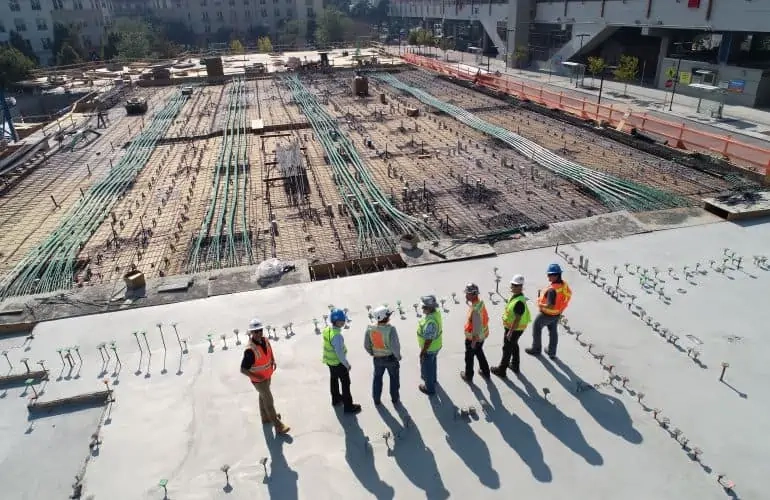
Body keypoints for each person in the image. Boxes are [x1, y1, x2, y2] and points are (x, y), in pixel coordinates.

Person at [240, 318, 290, 434]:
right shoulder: (250, 350)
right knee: (269, 401)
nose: (258, 333)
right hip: (259, 381)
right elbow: (243, 369)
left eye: (260, 330)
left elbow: (269, 351)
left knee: (263, 397)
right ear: (251, 333)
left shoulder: (265, 340)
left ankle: (266, 418)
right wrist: (256, 377)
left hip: (267, 375)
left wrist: (273, 360)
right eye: (255, 331)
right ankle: (278, 426)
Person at [526, 263, 572, 359]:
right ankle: (552, 352)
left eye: (549, 275)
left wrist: (540, 304)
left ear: (555, 276)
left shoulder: (552, 290)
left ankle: (536, 349)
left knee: (536, 327)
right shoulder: (563, 285)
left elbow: (550, 305)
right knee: (553, 332)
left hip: (547, 314)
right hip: (557, 313)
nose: (548, 277)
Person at [322, 308, 362, 414]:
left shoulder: (327, 330)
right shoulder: (337, 336)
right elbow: (339, 353)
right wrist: (347, 364)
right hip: (338, 363)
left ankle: (336, 400)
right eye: (343, 320)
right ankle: (348, 407)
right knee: (345, 384)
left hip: (330, 362)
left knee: (334, 380)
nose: (344, 322)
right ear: (338, 321)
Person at [491, 274, 530, 378]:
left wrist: (510, 332)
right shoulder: (517, 297)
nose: (512, 287)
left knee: (507, 348)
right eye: (512, 284)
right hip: (516, 328)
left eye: (514, 285)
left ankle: (501, 370)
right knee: (514, 345)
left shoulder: (519, 302)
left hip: (515, 329)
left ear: (520, 287)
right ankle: (515, 365)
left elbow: (517, 319)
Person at [363, 305, 402, 406]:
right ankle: (394, 398)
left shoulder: (370, 328)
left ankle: (376, 399)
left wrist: (372, 352)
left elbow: (366, 345)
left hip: (377, 359)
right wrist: (398, 356)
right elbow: (395, 346)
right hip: (391, 359)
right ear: (386, 317)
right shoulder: (391, 329)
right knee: (394, 379)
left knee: (377, 378)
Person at [460, 283, 491, 382]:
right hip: (482, 336)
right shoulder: (480, 303)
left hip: (473, 338)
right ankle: (485, 371)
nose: (466, 295)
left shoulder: (475, 310)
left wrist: (473, 342)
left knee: (469, 357)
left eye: (467, 294)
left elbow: (476, 327)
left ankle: (468, 376)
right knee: (479, 352)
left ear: (473, 294)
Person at [417, 295, 443, 395]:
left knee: (427, 368)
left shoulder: (430, 322)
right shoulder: (436, 314)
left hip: (429, 349)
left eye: (424, 307)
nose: (422, 309)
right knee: (432, 364)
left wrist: (423, 352)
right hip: (436, 347)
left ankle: (429, 388)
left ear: (429, 308)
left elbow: (428, 339)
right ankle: (433, 380)